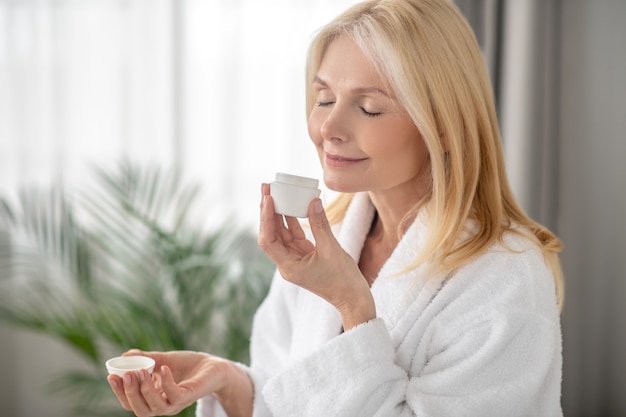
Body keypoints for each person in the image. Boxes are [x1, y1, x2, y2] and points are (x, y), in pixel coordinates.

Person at [107, 0, 565, 416]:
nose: (328, 126)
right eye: (324, 98)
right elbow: (293, 401)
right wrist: (229, 382)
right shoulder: (331, 238)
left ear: (442, 126)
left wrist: (352, 304)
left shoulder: (505, 277)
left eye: (368, 108)